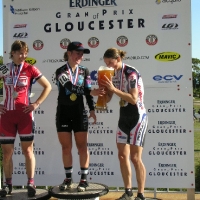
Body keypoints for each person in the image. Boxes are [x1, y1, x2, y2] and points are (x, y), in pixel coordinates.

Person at [0, 40, 52, 197]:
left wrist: (36, 103)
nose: (23, 56)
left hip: (25, 115)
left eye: (25, 53)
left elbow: (47, 86)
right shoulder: (4, 68)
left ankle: (31, 182)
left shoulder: (30, 68)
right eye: (20, 53)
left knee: (28, 150)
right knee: (7, 153)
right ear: (13, 53)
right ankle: (8, 184)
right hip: (7, 115)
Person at [55, 41, 104, 192]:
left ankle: (83, 179)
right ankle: (68, 178)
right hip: (63, 112)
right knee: (66, 148)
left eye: (82, 54)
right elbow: (70, 87)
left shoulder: (85, 71)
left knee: (82, 147)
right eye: (77, 53)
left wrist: (92, 109)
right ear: (69, 53)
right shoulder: (60, 71)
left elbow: (87, 89)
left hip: (79, 112)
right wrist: (90, 93)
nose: (80, 56)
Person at [101, 48, 148, 200]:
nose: (109, 66)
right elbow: (108, 98)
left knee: (135, 158)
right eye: (106, 63)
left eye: (111, 63)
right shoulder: (111, 73)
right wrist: (103, 91)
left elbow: (134, 99)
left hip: (137, 116)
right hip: (124, 116)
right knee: (122, 156)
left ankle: (140, 194)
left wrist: (113, 89)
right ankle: (128, 192)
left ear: (118, 59)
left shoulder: (131, 73)